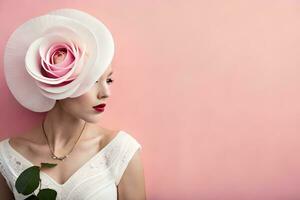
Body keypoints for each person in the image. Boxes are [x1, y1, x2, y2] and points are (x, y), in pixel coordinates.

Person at [0, 8, 146, 200]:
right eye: (93, 80)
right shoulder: (8, 157)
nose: (105, 93)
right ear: (58, 82)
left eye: (108, 80)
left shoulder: (120, 151)